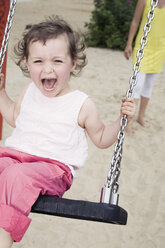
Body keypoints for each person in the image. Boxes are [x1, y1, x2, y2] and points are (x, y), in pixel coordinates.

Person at [0, 16, 136, 247]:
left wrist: (121, 120)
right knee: (9, 170)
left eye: (57, 61)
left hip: (53, 167)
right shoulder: (29, 91)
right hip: (14, 158)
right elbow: (15, 116)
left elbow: (101, 138)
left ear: (73, 63)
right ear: (27, 62)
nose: (48, 68)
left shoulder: (81, 104)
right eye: (39, 61)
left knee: (16, 177)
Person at [124, 0, 165, 134]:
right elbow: (135, 21)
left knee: (148, 86)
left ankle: (141, 117)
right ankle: (129, 122)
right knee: (137, 86)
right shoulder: (145, 0)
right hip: (143, 47)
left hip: (160, 49)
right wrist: (129, 43)